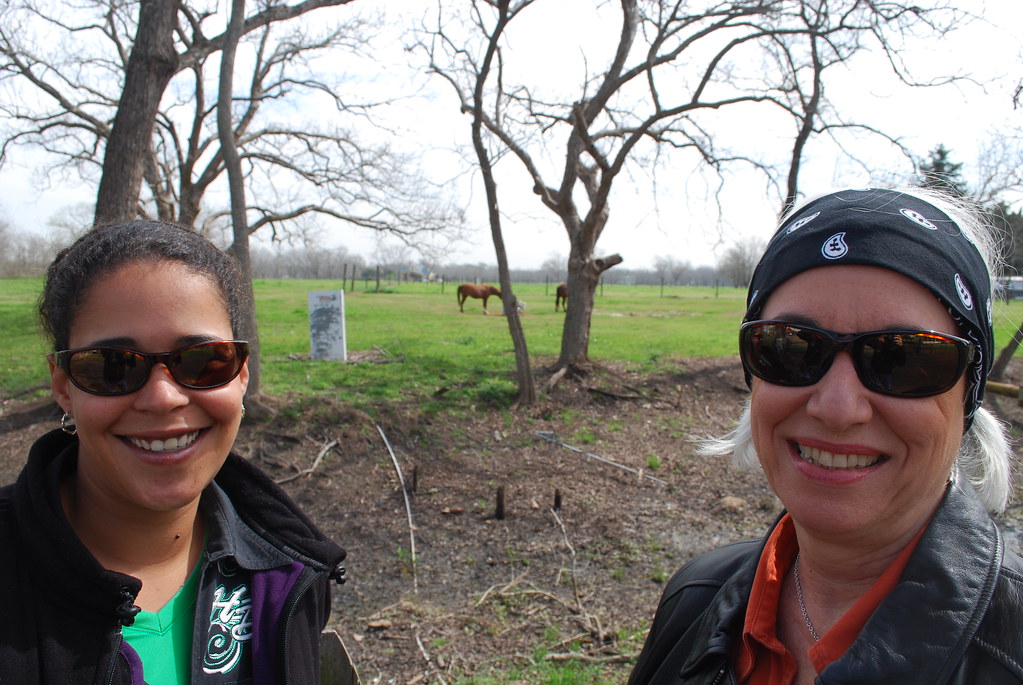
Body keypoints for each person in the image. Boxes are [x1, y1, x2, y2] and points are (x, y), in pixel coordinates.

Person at [628, 188, 1023, 684]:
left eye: (903, 359)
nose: (837, 409)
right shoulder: (695, 599)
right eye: (790, 348)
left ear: (970, 394)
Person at [0, 220, 348, 684]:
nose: (164, 398)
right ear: (64, 386)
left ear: (241, 376)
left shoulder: (287, 574)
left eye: (203, 361)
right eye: (112, 367)